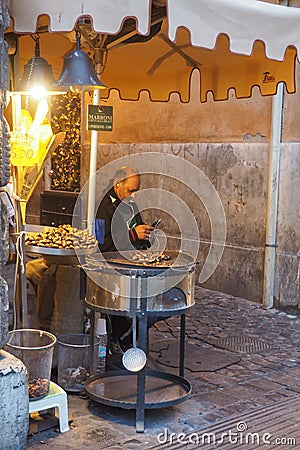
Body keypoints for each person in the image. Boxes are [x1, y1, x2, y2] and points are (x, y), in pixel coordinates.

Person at [95, 166, 154, 355]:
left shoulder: (130, 205)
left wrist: (146, 235)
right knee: (129, 309)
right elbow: (102, 243)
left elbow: (138, 231)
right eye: (130, 190)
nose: (133, 196)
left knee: (155, 305)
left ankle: (126, 338)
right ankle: (119, 338)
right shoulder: (101, 207)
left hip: (135, 265)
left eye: (136, 191)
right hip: (114, 269)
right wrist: (132, 235)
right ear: (117, 184)